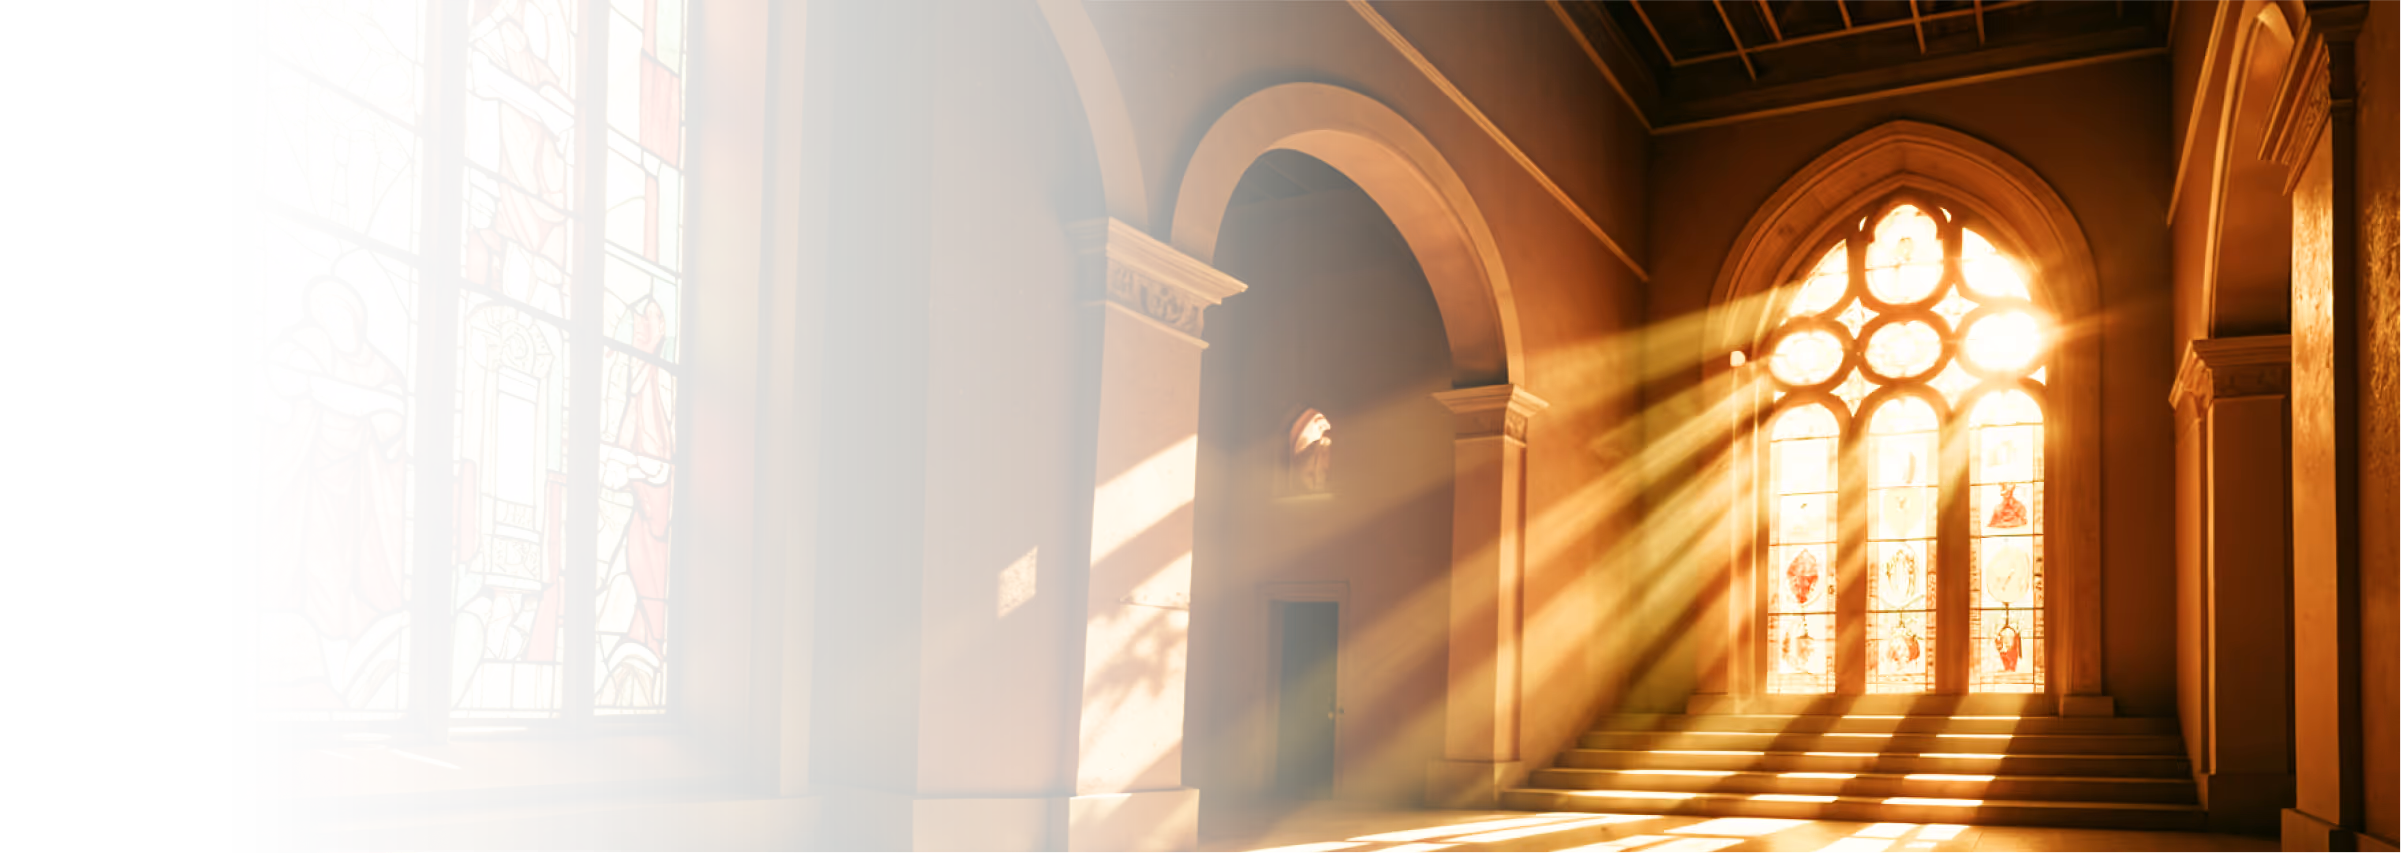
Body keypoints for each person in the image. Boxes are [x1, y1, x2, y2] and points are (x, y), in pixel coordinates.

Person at [254, 275, 410, 708]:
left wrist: (357, 401)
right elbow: (284, 362)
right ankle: (317, 666)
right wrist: (293, 369)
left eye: (341, 316)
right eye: (326, 316)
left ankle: (343, 665)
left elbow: (394, 411)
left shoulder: (377, 368)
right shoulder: (313, 344)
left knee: (342, 572)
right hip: (309, 477)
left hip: (355, 487)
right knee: (305, 564)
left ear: (357, 320)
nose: (334, 324)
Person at [603, 301, 676, 658]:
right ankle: (647, 642)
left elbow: (659, 461)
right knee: (636, 569)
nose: (638, 332)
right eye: (634, 328)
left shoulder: (657, 382)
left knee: (646, 570)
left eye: (645, 327)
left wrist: (628, 466)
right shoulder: (634, 380)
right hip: (643, 514)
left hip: (656, 514)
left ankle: (652, 643)